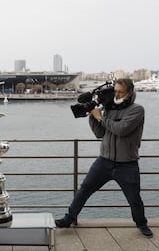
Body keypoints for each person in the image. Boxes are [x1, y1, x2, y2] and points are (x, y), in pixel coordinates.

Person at [55, 78, 153, 238]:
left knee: (134, 198)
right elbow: (100, 133)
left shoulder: (137, 110)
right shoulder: (109, 109)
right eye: (116, 91)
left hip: (127, 164)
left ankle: (142, 224)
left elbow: (122, 129)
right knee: (84, 189)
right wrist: (93, 115)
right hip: (104, 161)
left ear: (130, 93)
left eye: (121, 92)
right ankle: (69, 218)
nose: (117, 94)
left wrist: (101, 117)